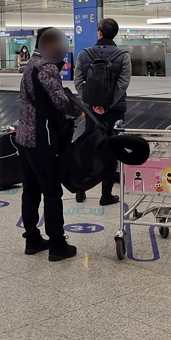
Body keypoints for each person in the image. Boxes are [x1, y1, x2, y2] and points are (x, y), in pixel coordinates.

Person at [17, 27, 83, 262]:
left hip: (23, 138)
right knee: (52, 191)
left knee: (31, 190)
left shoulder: (30, 64)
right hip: (40, 139)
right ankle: (57, 244)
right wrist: (77, 111)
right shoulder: (46, 67)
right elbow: (58, 100)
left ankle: (32, 239)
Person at [72, 18, 131, 206]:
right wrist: (108, 105)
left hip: (91, 112)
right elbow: (123, 84)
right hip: (115, 111)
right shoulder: (123, 56)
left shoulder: (84, 55)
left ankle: (80, 190)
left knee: (89, 148)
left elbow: (78, 81)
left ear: (99, 33)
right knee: (111, 150)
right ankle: (106, 195)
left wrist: (92, 103)